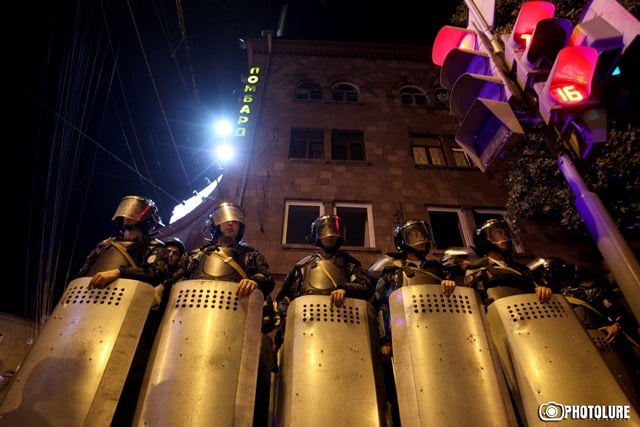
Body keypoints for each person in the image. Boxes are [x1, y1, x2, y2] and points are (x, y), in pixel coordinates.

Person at [185, 202, 275, 427]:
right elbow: (176, 280)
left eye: (235, 221)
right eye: (226, 219)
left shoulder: (251, 256)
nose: (231, 223)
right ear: (216, 223)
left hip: (236, 324)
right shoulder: (197, 255)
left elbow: (267, 279)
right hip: (196, 323)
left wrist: (253, 280)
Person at [368, 220, 456, 426]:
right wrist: (385, 340)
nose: (420, 240)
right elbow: (381, 307)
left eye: (421, 235)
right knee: (405, 394)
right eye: (414, 236)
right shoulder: (392, 272)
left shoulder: (438, 270)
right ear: (403, 241)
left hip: (439, 337)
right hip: (403, 338)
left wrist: (450, 284)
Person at [276, 214, 373, 315]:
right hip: (307, 321)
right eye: (324, 233)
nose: (330, 237)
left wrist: (346, 289)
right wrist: (285, 310)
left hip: (342, 320)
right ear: (317, 236)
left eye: (334, 233)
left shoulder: (349, 263)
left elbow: (366, 288)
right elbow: (284, 297)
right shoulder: (302, 266)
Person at [77, 195, 168, 288]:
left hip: (125, 298)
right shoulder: (105, 244)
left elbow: (155, 274)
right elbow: (83, 273)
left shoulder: (154, 246)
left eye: (135, 211)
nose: (127, 215)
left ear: (147, 219)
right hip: (88, 296)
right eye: (126, 210)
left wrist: (119, 272)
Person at [463, 218, 552, 307]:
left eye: (505, 233)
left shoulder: (521, 268)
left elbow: (537, 288)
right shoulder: (478, 270)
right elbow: (473, 303)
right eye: (498, 233)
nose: (505, 237)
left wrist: (543, 290)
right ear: (484, 239)